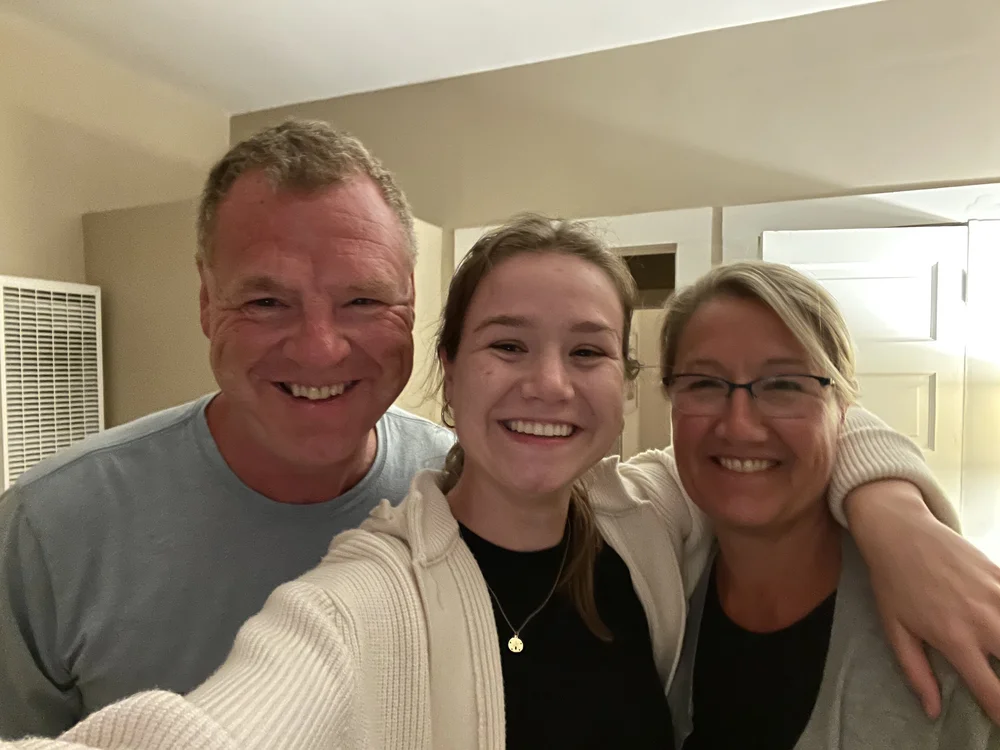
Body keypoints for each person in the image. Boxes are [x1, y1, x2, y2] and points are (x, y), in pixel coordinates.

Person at [5, 215, 998, 750]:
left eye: (588, 351)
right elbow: (218, 725)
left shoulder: (651, 514)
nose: (549, 385)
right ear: (448, 369)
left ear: (626, 387)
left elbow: (794, 426)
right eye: (508, 345)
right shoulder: (368, 591)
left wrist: (894, 513)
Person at [0, 119, 454, 738]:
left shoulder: (462, 492)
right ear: (206, 303)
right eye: (266, 303)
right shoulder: (48, 532)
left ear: (411, 301)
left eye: (364, 301)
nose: (319, 349)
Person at [663, 261, 1000, 748]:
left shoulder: (954, 627)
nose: (739, 426)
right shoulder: (660, 574)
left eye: (784, 385)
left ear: (843, 409)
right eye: (704, 383)